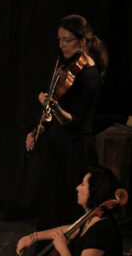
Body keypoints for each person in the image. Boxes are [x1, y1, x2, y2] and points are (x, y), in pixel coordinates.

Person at [26, 14, 108, 231]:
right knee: (51, 208)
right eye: (60, 39)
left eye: (67, 40)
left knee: (68, 211)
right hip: (59, 146)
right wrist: (38, 129)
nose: (61, 45)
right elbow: (52, 116)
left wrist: (54, 106)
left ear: (82, 41)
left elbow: (73, 121)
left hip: (75, 150)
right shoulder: (66, 66)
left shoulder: (88, 74)